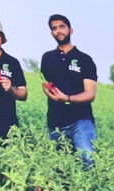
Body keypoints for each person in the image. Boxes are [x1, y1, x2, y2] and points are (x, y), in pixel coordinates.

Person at [41, 14, 99, 167]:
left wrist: (66, 98)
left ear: (70, 30)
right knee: (59, 166)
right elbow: (46, 82)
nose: (58, 31)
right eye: (54, 28)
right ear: (51, 33)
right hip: (55, 122)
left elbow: (90, 93)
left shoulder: (84, 59)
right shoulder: (47, 57)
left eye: (62, 27)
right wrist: (48, 91)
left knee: (88, 160)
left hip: (80, 121)